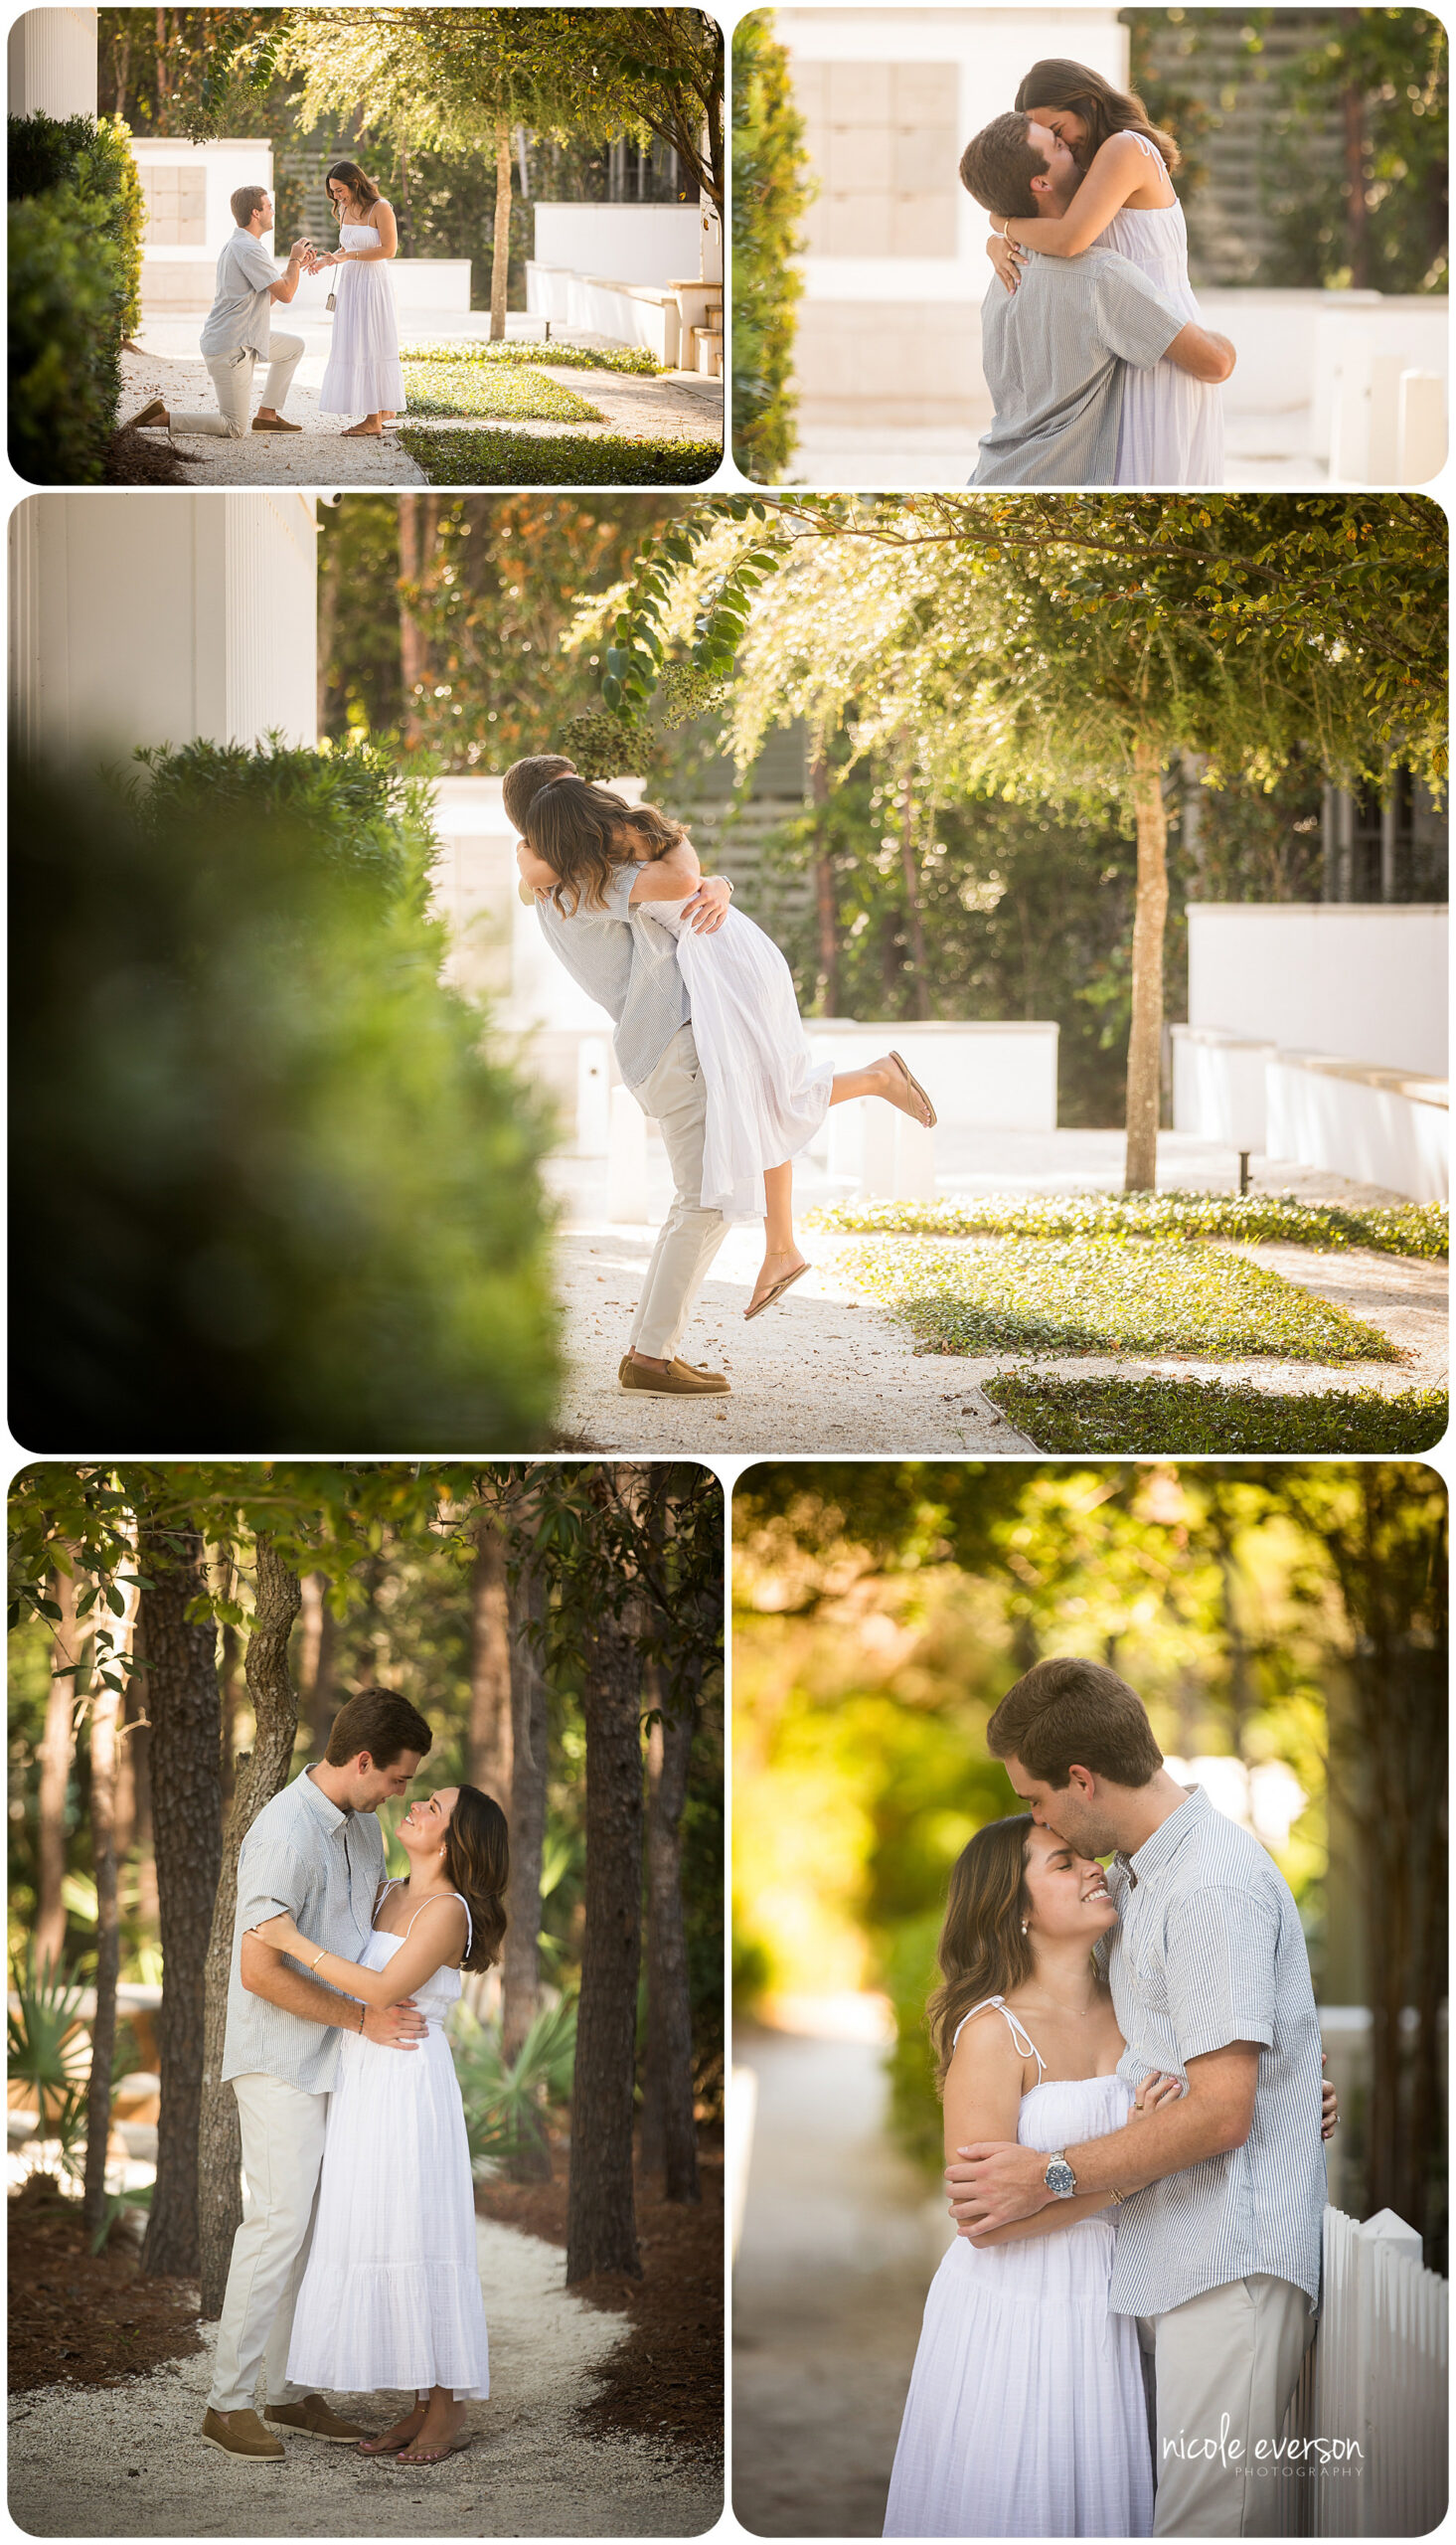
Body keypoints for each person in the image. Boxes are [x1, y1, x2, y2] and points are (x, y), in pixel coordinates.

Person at [947, 1658, 1332, 2537]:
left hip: (1226, 2264)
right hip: (1168, 2259)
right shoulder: (1137, 1881)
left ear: (1080, 1779)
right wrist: (1285, 2095)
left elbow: (1220, 2109)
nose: (1038, 1818)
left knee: (1207, 2526)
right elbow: (1216, 2066)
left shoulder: (1207, 1886)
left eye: (1037, 1800)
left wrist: (1047, 2174)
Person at [508, 757, 936, 1363]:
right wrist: (708, 883)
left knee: (752, 1123)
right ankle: (656, 1352)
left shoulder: (551, 880)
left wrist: (715, 885)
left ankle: (669, 1339)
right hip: (670, 1044)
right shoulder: (590, 884)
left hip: (672, 1039)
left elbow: (550, 863)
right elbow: (678, 872)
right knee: (710, 1190)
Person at [200, 1688, 433, 2463]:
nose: (401, 1792)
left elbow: (367, 1930)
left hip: (341, 2060)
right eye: (398, 1778)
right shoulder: (283, 1832)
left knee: (309, 2233)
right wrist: (362, 2018)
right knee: (275, 2226)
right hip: (281, 2061)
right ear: (363, 1761)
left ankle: (285, 2389)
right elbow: (261, 1970)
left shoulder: (363, 1827)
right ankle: (227, 2402)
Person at [250, 1782, 507, 2467]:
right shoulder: (387, 1890)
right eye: (420, 1795)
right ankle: (419, 2402)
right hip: (363, 2077)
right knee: (383, 2225)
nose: (417, 1806)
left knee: (420, 2229)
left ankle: (446, 2408)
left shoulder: (448, 1910)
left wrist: (289, 1941)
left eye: (435, 1807)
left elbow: (384, 1990)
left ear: (459, 1840)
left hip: (409, 2082)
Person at [958, 112, 1234, 485]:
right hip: (1056, 494)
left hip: (992, 478)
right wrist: (1225, 344)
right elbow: (1214, 363)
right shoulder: (1100, 275)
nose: (1071, 148)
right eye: (1058, 146)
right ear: (1040, 182)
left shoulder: (1002, 274)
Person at [125, 185, 310, 441]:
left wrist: (298, 266)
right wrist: (295, 261)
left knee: (294, 346)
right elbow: (287, 295)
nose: (273, 211)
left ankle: (267, 415)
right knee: (232, 426)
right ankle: (163, 417)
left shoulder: (242, 244)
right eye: (269, 207)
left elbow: (267, 299)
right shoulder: (249, 249)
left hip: (244, 336)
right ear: (255, 213)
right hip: (232, 347)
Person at [313, 161, 404, 437]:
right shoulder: (343, 208)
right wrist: (328, 261)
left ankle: (372, 418)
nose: (337, 196)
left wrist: (347, 256)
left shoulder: (381, 208)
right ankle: (384, 410)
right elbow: (348, 246)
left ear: (355, 183)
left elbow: (389, 249)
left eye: (340, 190)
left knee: (371, 341)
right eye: (333, 192)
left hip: (373, 283)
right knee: (354, 342)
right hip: (351, 282)